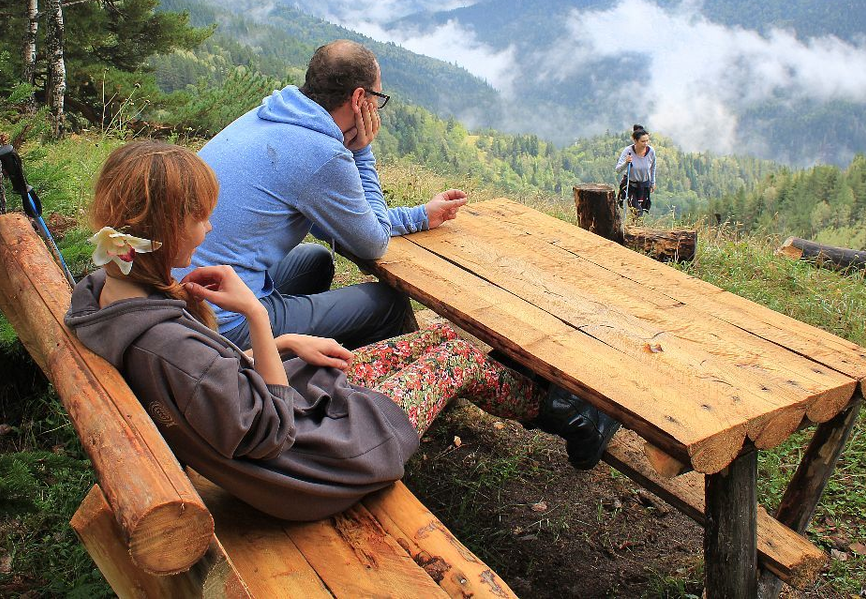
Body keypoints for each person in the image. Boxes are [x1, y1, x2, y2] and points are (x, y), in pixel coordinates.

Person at [66, 141, 621, 521]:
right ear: (166, 225)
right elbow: (268, 431)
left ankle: (565, 408)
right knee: (462, 358)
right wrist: (259, 319)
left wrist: (283, 343)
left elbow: (220, 381)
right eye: (201, 217)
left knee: (443, 339)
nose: (209, 227)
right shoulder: (169, 346)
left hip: (288, 424)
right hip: (310, 465)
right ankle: (576, 421)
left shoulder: (108, 284)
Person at [183, 40, 467, 350]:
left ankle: (297, 350)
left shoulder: (273, 114)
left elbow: (331, 222)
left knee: (315, 260)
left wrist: (420, 216)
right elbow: (373, 243)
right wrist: (361, 151)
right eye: (378, 97)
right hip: (219, 322)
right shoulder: (321, 153)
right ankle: (353, 379)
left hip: (187, 292)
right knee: (389, 303)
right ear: (360, 97)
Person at [616, 124, 656, 216]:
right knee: (637, 211)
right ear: (635, 141)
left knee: (640, 211)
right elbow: (618, 169)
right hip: (630, 186)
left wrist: (653, 182)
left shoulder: (651, 151)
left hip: (644, 186)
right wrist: (626, 163)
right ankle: (635, 227)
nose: (645, 143)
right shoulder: (628, 151)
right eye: (643, 141)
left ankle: (635, 227)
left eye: (647, 141)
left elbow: (653, 167)